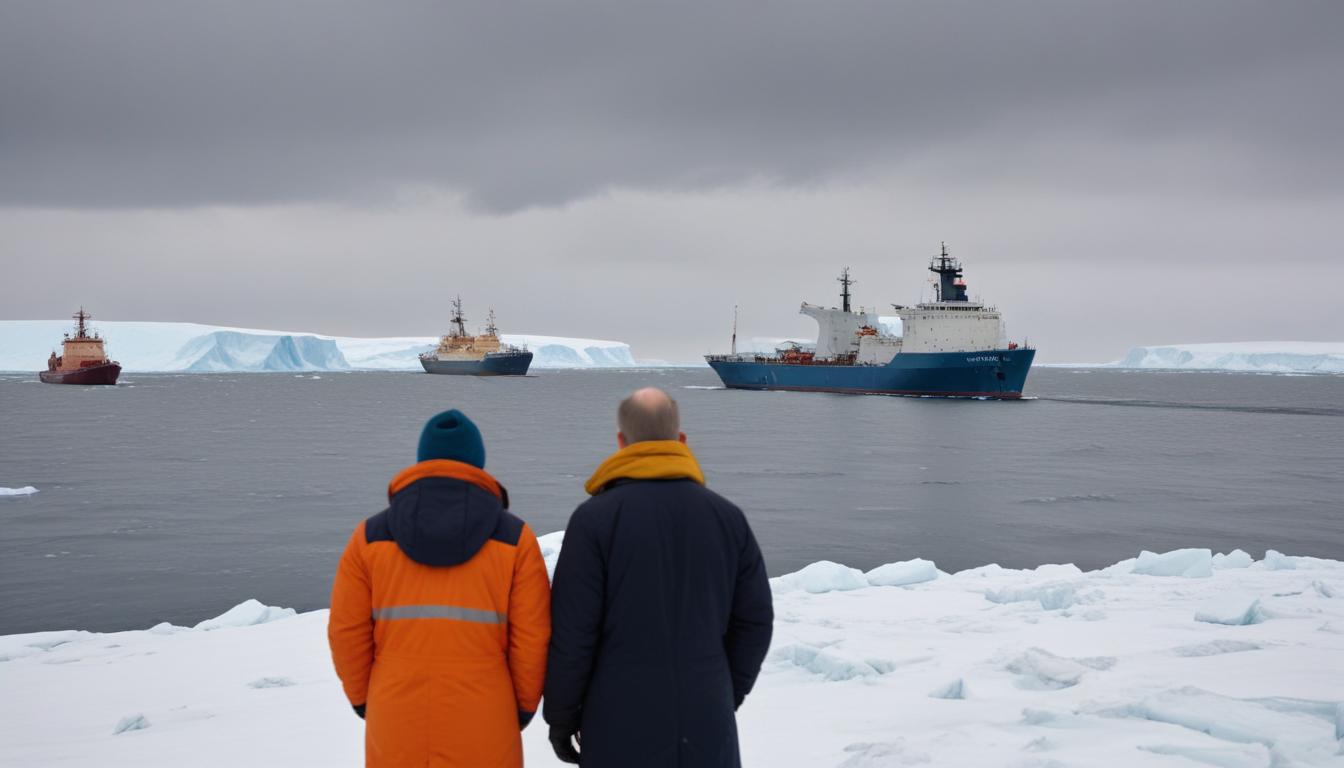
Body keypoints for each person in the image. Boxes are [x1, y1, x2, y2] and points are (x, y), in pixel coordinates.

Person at [544, 388, 774, 767]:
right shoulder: (727, 518)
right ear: (681, 440)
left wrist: (562, 716)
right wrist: (722, 693)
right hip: (706, 717)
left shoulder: (594, 520)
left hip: (616, 721)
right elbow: (754, 621)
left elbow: (572, 634)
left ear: (621, 443)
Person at [328, 409, 551, 768]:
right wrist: (522, 707)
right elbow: (532, 636)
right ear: (477, 463)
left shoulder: (369, 538)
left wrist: (364, 699)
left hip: (395, 711)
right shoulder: (514, 540)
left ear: (422, 460)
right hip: (485, 713)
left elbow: (346, 630)